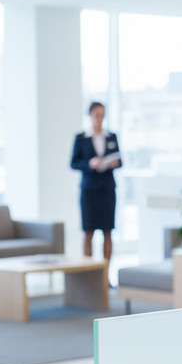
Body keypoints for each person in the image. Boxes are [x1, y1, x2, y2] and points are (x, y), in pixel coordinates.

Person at [70, 102, 121, 261]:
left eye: (102, 115)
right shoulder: (81, 138)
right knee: (88, 232)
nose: (100, 118)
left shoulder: (111, 137)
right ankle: (88, 274)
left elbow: (121, 160)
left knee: (107, 232)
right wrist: (90, 164)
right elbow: (74, 163)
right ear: (90, 115)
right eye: (97, 115)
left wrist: (114, 163)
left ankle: (106, 275)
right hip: (89, 190)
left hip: (107, 189)